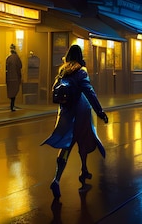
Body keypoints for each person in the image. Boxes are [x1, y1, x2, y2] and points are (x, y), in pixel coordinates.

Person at [42, 44, 109, 199]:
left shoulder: (62, 71)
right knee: (83, 141)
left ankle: (58, 179)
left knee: (66, 145)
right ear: (80, 57)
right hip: (81, 112)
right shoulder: (81, 71)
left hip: (65, 114)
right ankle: (80, 171)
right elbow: (89, 92)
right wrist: (100, 111)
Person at [5, 44, 22, 111]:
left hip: (9, 77)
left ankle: (11, 105)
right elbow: (20, 66)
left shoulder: (8, 58)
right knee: (14, 92)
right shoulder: (17, 58)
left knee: (11, 92)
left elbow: (6, 69)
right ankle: (12, 105)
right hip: (15, 77)